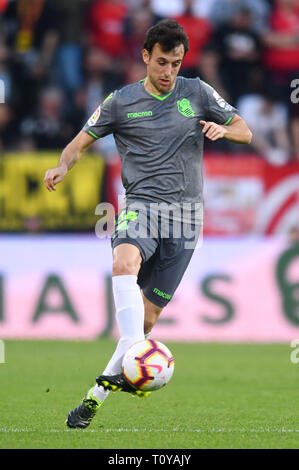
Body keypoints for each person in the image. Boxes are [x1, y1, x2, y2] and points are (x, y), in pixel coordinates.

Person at [43, 19, 252, 429]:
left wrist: (223, 131)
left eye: (175, 63)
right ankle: (135, 358)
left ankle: (96, 395)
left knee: (147, 321)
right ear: (145, 56)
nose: (168, 71)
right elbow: (78, 143)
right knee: (124, 261)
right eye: (161, 62)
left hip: (188, 219)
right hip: (142, 207)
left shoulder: (197, 92)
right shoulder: (120, 102)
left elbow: (245, 130)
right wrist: (61, 166)